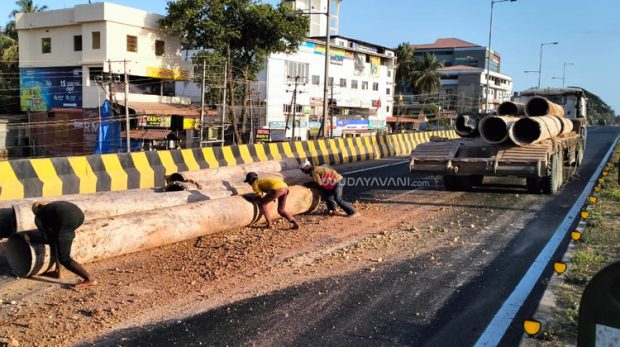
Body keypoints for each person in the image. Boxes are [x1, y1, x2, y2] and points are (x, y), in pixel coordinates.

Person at [30, 201, 96, 289]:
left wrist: (32, 239)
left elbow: (46, 238)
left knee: (64, 258)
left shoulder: (39, 216)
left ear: (35, 211)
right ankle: (58, 271)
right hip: (79, 216)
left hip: (65, 219)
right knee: (58, 239)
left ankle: (89, 279)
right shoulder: (51, 207)